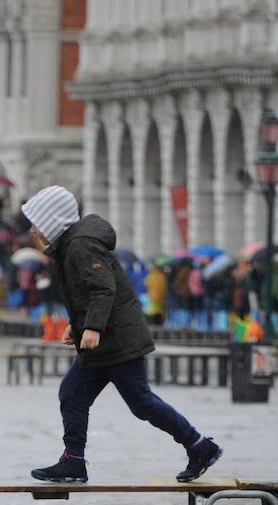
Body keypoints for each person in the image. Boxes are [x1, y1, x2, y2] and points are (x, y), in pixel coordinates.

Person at [20, 186, 222, 485]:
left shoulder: (80, 246)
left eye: (37, 221)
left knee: (142, 403)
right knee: (72, 394)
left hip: (118, 340)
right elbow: (87, 294)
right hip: (106, 342)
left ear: (52, 220)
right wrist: (77, 326)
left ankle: (200, 447)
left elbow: (103, 288)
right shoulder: (71, 246)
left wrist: (92, 328)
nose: (33, 229)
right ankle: (73, 462)